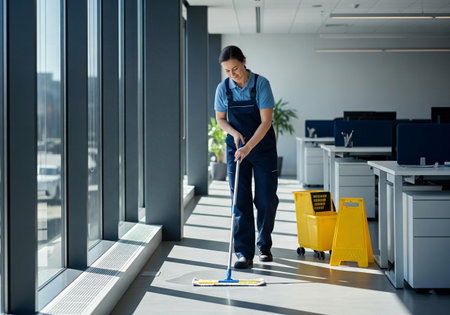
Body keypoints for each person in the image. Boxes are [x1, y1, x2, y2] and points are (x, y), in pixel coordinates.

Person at [214, 45, 279, 269]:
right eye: (227, 71)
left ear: (244, 61)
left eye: (235, 68)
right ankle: (243, 252)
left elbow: (266, 121)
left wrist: (249, 146)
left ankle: (264, 245)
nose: (233, 74)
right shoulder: (223, 89)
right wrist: (234, 133)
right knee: (239, 201)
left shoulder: (261, 84)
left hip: (262, 149)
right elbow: (221, 119)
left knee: (265, 199)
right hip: (237, 149)